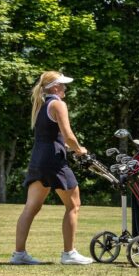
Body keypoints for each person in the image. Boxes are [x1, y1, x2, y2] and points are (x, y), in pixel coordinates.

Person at [10, 71, 93, 265]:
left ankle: (19, 254)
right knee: (74, 205)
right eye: (62, 85)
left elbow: (51, 136)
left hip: (38, 160)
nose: (65, 89)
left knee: (31, 207)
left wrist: (66, 146)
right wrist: (80, 150)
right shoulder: (58, 104)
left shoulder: (41, 105)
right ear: (54, 88)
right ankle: (69, 254)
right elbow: (69, 135)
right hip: (54, 162)